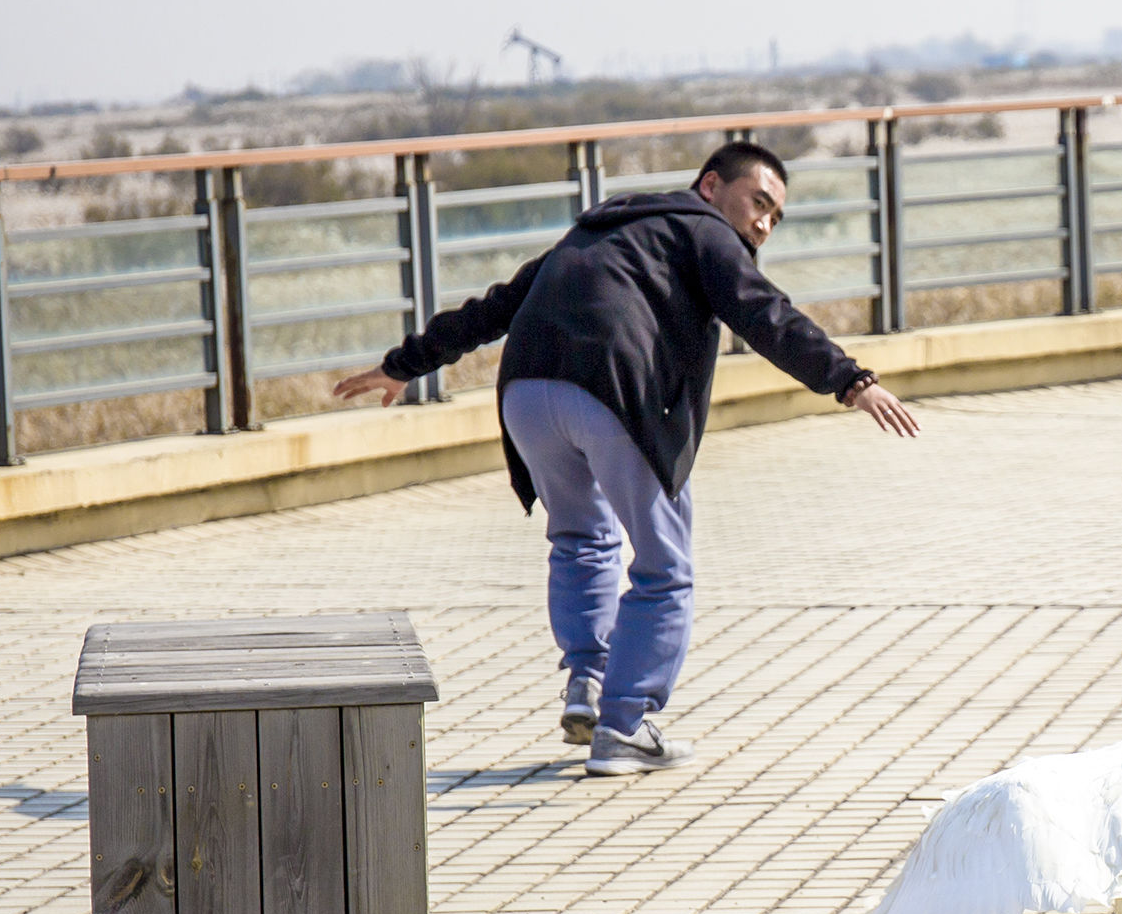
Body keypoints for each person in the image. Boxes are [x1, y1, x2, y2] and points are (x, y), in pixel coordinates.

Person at [334, 141, 919, 774]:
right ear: (710, 186)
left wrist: (402, 367)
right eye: (758, 202)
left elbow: (495, 307)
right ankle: (625, 725)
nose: (763, 224)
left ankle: (587, 680)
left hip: (528, 395)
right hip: (614, 393)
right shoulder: (705, 232)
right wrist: (851, 380)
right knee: (665, 566)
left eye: (775, 217)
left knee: (582, 538)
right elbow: (765, 314)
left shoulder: (595, 231)